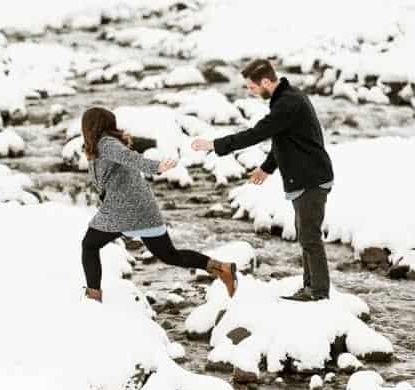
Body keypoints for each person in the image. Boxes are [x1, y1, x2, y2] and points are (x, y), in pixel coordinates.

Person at [191, 59, 334, 302]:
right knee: (306, 235)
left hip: (311, 178)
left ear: (266, 81)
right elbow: (283, 138)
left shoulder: (288, 103)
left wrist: (215, 145)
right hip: (307, 176)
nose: (251, 92)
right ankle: (311, 287)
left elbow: (257, 133)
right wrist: (267, 168)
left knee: (310, 237)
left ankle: (318, 292)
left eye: (252, 87)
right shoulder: (286, 99)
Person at [81, 107, 237, 303]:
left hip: (124, 210)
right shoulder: (103, 145)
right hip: (141, 209)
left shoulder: (107, 144)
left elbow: (129, 158)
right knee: (170, 255)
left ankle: (93, 297)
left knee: (89, 245)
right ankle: (222, 269)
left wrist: (155, 167)